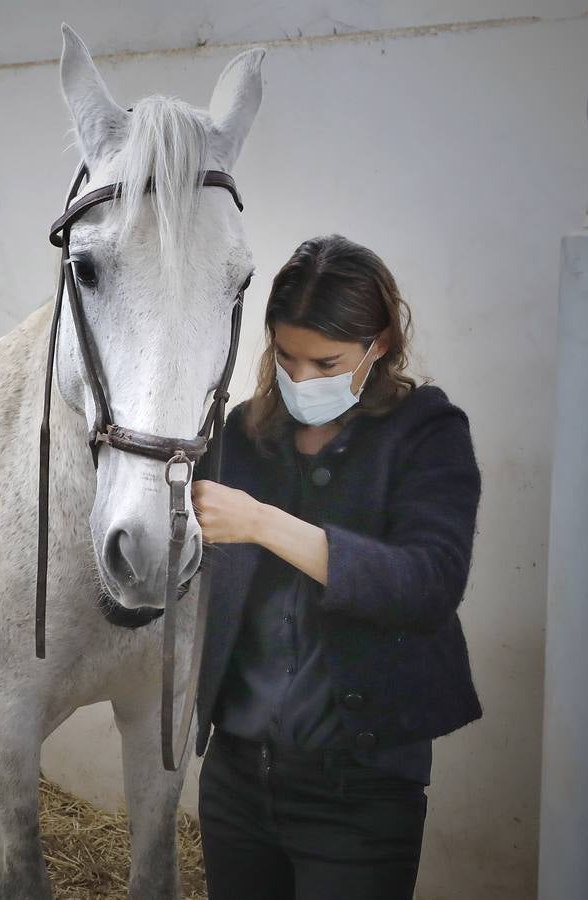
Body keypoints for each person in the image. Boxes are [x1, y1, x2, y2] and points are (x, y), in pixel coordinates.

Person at [190, 234, 482, 900]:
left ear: (378, 345)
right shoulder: (243, 434)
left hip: (359, 791)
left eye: (326, 363)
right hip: (236, 777)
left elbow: (428, 586)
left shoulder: (426, 432)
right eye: (286, 358)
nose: (301, 380)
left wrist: (263, 523)